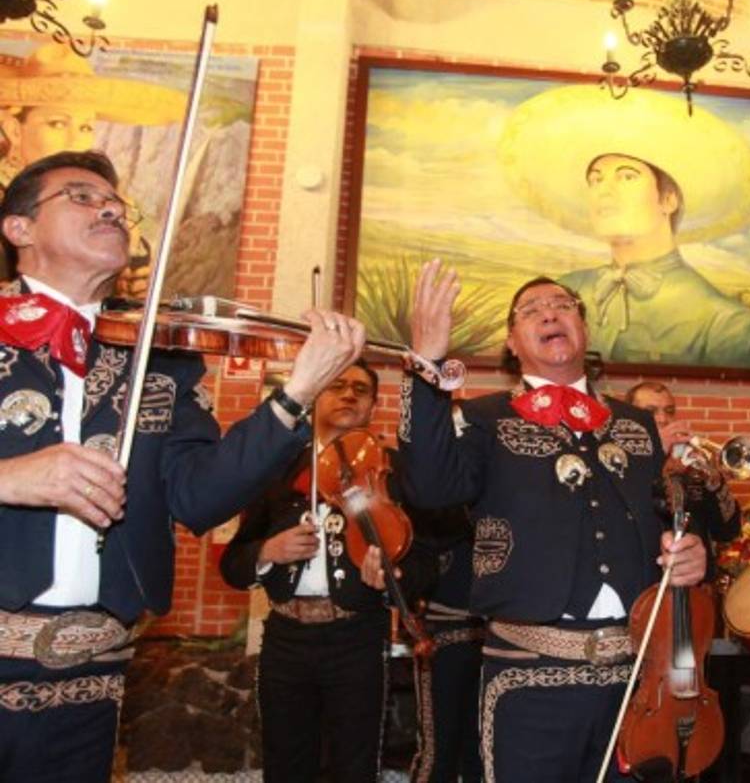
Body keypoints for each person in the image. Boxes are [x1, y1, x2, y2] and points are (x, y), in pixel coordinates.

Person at [0, 150, 363, 782]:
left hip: (95, 674)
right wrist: (9, 478)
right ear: (19, 229)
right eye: (82, 197)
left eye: (118, 203)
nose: (111, 207)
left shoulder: (162, 358)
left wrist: (297, 393)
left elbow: (198, 498)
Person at [396, 261, 710, 782]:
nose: (550, 313)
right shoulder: (483, 419)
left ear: (584, 329)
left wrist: (694, 552)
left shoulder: (635, 425)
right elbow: (429, 487)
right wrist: (426, 364)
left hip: (639, 685)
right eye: (532, 310)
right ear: (512, 343)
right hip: (528, 678)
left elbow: (676, 524)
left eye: (563, 305)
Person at [220, 360, 407, 782]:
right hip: (286, 638)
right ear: (316, 397)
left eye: (361, 389)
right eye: (337, 385)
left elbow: (420, 555)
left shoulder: (392, 470)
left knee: (355, 766)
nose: (349, 395)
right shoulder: (279, 466)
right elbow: (233, 563)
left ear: (374, 405)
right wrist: (268, 550)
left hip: (358, 636)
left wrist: (392, 577)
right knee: (285, 761)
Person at [498, 85, 750, 369]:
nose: (604, 191)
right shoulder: (566, 291)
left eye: (627, 177)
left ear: (668, 200)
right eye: (596, 179)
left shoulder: (724, 323)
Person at [0, 43, 185, 294]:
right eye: (57, 124)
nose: (75, 141)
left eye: (86, 127)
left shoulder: (113, 210)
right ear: (13, 129)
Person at [403, 499, 485, 783]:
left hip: (496, 641)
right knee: (438, 754)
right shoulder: (433, 488)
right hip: (442, 638)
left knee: (483, 754)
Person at [625, 380, 741, 573]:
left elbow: (728, 531)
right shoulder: (620, 461)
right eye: (650, 411)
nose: (663, 419)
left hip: (696, 586)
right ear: (629, 418)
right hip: (643, 580)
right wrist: (657, 455)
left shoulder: (691, 463)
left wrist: (714, 479)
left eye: (669, 411)